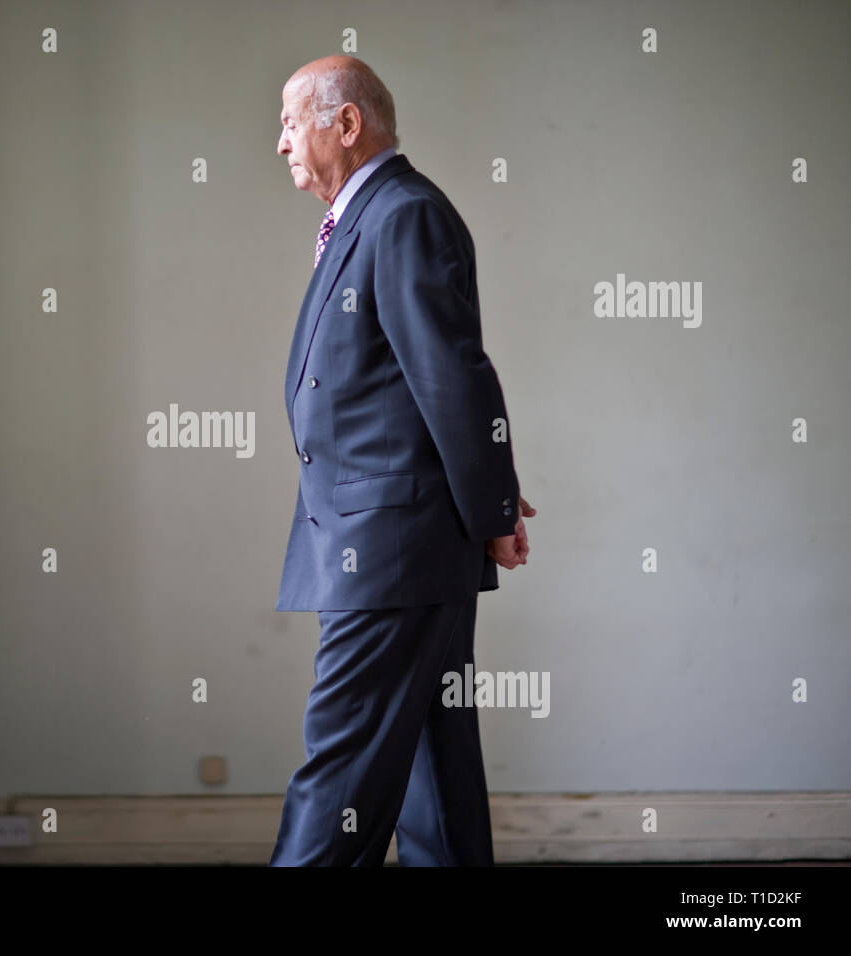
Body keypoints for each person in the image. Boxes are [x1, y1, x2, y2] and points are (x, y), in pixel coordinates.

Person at [271, 55, 535, 866]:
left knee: (340, 771)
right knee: (435, 772)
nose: (280, 143)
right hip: (395, 540)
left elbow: (450, 377)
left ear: (345, 125)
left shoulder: (402, 214)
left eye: (290, 122)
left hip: (389, 549)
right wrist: (486, 501)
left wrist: (492, 511)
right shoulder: (371, 217)